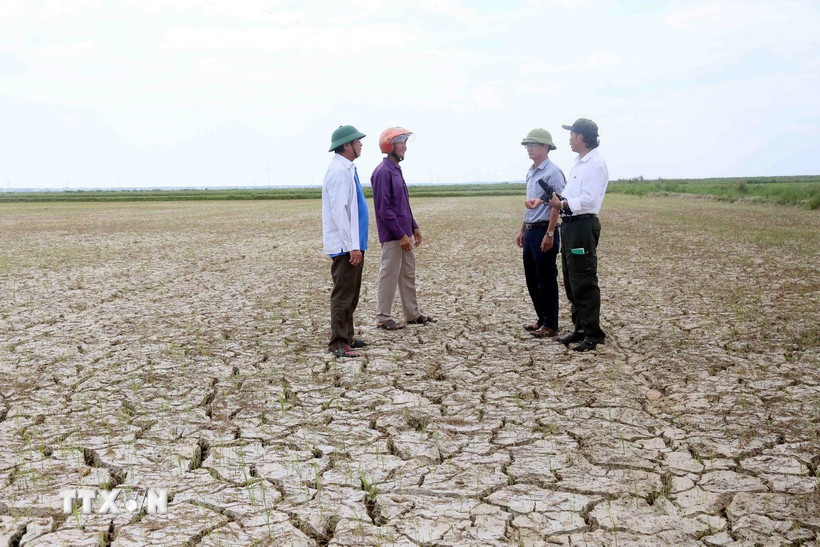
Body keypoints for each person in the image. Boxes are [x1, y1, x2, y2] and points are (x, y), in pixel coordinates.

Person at [531, 118, 609, 352]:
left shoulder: (596, 164)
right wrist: (545, 200)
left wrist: (563, 205)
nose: (569, 139)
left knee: (584, 279)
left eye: (572, 134)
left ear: (581, 138)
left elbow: (589, 200)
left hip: (583, 226)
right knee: (571, 278)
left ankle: (593, 334)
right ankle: (580, 328)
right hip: (571, 226)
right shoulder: (578, 163)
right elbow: (567, 194)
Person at [371, 127, 434, 331]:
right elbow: (384, 209)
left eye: (405, 142)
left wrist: (413, 226)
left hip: (404, 233)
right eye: (401, 142)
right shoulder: (382, 172)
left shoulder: (396, 169)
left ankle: (412, 314)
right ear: (389, 145)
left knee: (407, 274)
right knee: (389, 274)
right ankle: (383, 317)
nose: (405, 146)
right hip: (393, 236)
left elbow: (403, 204)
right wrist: (400, 235)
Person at [322, 124, 369, 358]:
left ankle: (348, 336)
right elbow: (340, 212)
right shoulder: (339, 172)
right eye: (357, 141)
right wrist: (352, 246)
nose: (361, 144)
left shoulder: (347, 169)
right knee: (343, 294)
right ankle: (338, 343)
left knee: (352, 293)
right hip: (345, 246)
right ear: (346, 145)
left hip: (354, 243)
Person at [516, 128, 565, 338]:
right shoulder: (531, 171)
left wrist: (550, 232)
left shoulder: (553, 172)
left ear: (546, 147)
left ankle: (551, 324)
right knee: (532, 278)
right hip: (530, 230)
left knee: (546, 278)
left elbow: (556, 204)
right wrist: (522, 229)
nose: (529, 148)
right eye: (527, 145)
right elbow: (529, 205)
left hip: (545, 229)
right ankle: (541, 318)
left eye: (533, 145)